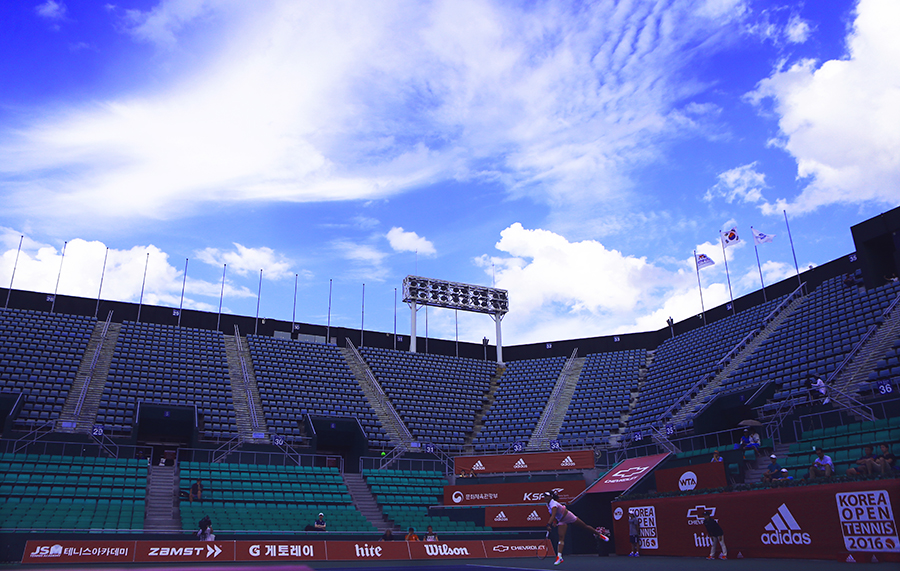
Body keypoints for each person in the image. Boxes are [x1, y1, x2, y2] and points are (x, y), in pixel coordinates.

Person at [544, 490, 607, 566]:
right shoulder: (548, 504)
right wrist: (554, 522)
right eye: (545, 496)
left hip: (569, 516)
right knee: (561, 538)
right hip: (561, 520)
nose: (545, 498)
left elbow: (554, 514)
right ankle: (559, 557)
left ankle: (600, 535)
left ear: (551, 497)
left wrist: (548, 524)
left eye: (547, 496)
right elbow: (553, 515)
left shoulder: (553, 504)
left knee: (585, 526)